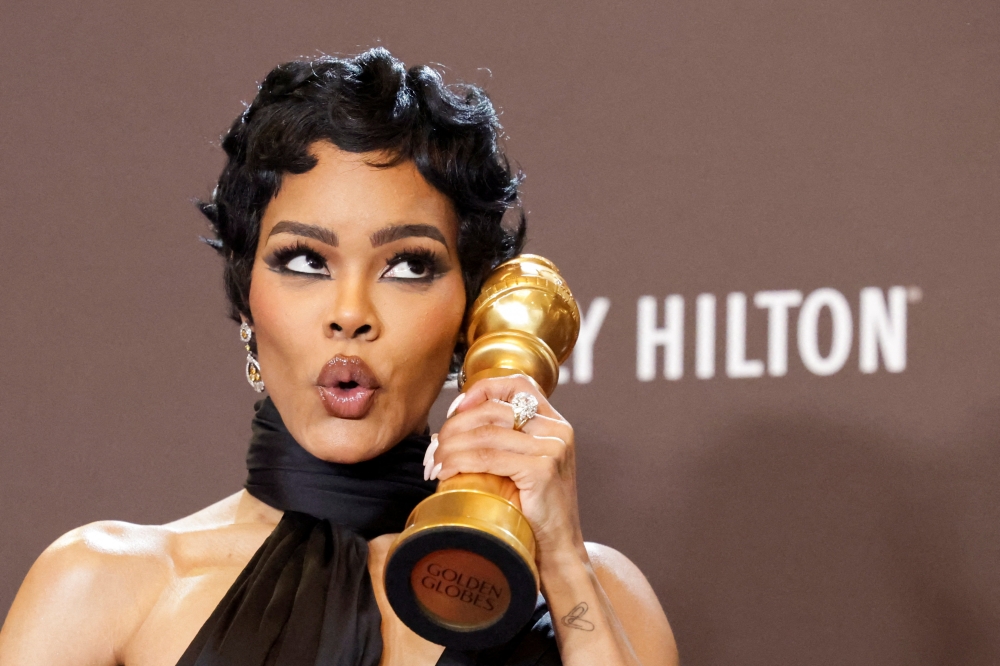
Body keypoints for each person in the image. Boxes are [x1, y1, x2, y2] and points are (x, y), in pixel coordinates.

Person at [0, 48, 678, 666]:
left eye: (409, 266)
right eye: (304, 260)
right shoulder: (102, 588)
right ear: (246, 299)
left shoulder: (597, 600)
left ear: (470, 315)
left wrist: (558, 564)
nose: (350, 313)